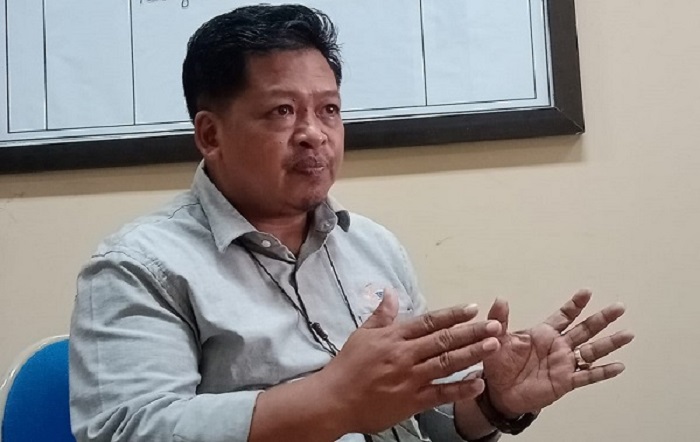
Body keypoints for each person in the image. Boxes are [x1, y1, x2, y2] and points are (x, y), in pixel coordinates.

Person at [69, 4, 634, 442]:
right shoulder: (140, 267)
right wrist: (331, 399)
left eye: (329, 110)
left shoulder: (370, 245)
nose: (314, 134)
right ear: (210, 134)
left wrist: (491, 402)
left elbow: (419, 422)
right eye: (283, 111)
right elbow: (130, 430)